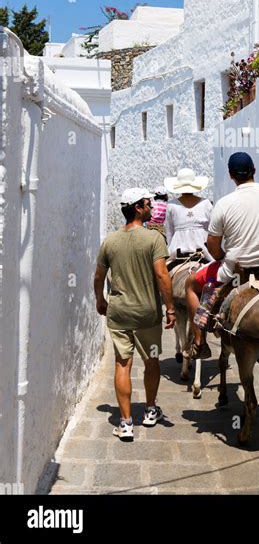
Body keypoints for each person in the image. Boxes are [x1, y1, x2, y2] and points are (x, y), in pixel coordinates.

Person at [184, 152, 259, 359]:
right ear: (255, 171)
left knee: (190, 284)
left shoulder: (224, 204)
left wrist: (225, 256)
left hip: (233, 272)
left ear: (231, 175)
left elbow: (213, 247)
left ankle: (200, 343)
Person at [94, 187, 176, 441]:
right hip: (147, 314)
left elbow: (98, 276)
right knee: (152, 361)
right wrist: (170, 307)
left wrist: (100, 299)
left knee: (122, 363)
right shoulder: (154, 239)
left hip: (119, 313)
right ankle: (151, 411)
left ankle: (126, 422)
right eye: (148, 204)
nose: (152, 207)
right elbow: (162, 275)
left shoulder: (110, 240)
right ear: (138, 208)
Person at [163, 168, 213, 261]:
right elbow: (213, 230)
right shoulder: (206, 203)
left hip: (178, 252)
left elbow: (169, 232)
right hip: (205, 252)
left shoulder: (171, 205)